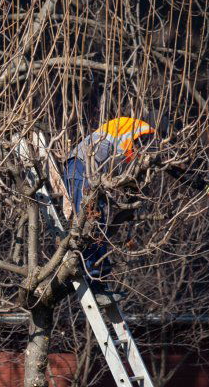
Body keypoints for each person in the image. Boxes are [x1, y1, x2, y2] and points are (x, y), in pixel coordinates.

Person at [63, 116, 159, 287]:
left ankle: (98, 271)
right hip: (82, 166)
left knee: (97, 219)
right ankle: (94, 272)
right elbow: (143, 159)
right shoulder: (144, 134)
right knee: (91, 221)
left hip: (93, 171)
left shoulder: (136, 139)